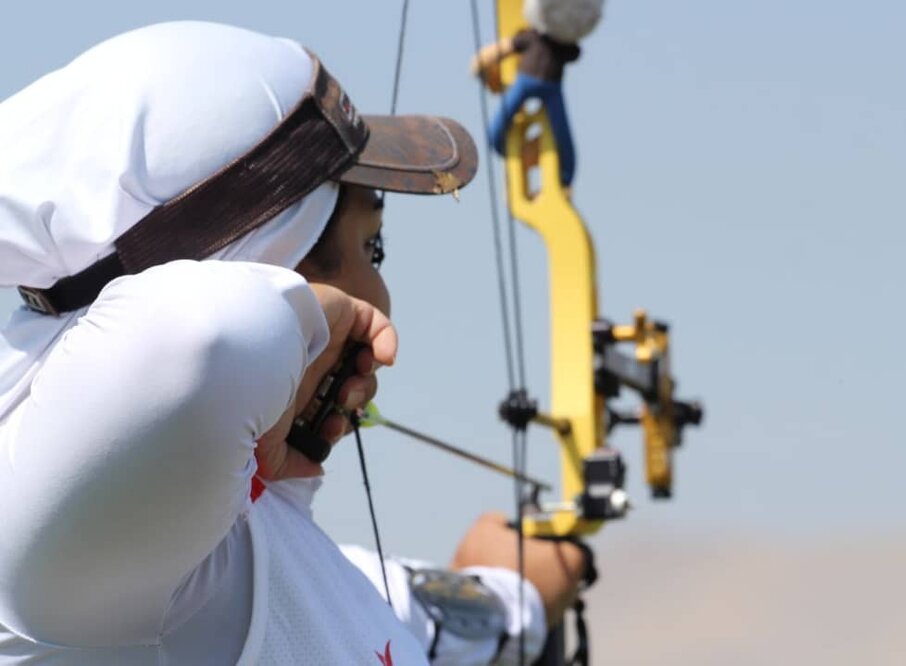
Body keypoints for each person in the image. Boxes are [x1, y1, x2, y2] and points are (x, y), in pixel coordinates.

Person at [0, 21, 586, 665]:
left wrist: (518, 595)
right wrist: (310, 320)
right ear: (264, 262)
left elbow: (401, 613)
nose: (380, 300)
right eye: (371, 247)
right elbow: (201, 343)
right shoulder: (62, 535)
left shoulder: (246, 547)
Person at [471, 0, 604, 187]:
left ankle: (564, 177)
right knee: (503, 126)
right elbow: (500, 50)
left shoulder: (540, 39)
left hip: (542, 86)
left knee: (558, 133)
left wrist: (482, 62)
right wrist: (482, 63)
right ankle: (554, 169)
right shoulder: (534, 38)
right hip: (540, 85)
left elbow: (499, 50)